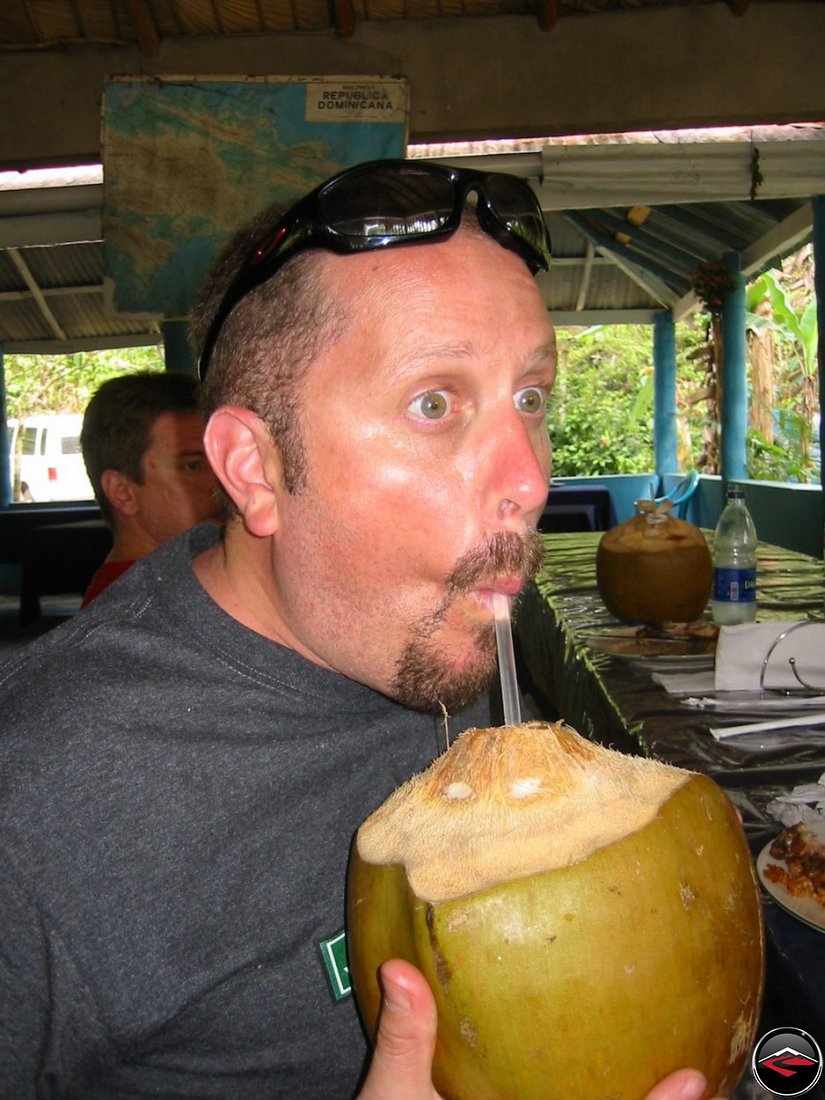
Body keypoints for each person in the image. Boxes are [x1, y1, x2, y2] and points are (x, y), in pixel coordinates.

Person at [0, 160, 726, 1100]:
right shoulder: (45, 805)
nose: (531, 481)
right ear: (253, 468)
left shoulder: (423, 634)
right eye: (434, 403)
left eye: (531, 399)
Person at [79, 370, 220, 606]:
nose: (221, 484)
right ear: (122, 492)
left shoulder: (187, 582)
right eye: (193, 466)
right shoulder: (126, 615)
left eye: (220, 461)